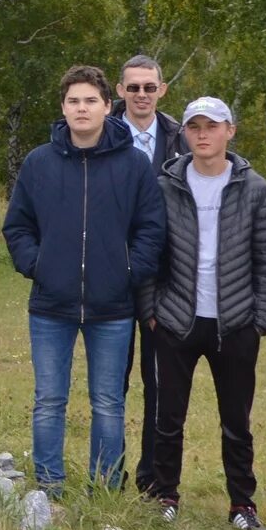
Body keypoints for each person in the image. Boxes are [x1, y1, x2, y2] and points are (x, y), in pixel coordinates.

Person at [2, 64, 167, 489]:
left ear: (107, 107)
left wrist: (129, 271)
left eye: (90, 101)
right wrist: (38, 266)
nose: (82, 108)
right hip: (50, 306)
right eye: (74, 100)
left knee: (109, 403)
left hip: (111, 306)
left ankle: (105, 487)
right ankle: (49, 485)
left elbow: (152, 227)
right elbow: (17, 225)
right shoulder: (40, 162)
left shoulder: (133, 165)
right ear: (63, 107)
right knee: (49, 401)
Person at [136, 97, 266, 530]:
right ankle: (166, 495)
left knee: (236, 419)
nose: (203, 134)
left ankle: (242, 504)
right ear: (185, 133)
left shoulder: (254, 189)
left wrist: (260, 318)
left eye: (212, 126)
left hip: (235, 320)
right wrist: (151, 310)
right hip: (177, 316)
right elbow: (149, 250)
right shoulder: (166, 185)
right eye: (194, 126)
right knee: (168, 416)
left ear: (229, 131)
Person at [111, 54, 187, 472]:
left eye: (149, 87)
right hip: (116, 275)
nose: (142, 95)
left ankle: (154, 477)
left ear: (162, 90)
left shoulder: (182, 138)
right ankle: (110, 471)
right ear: (120, 92)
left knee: (160, 382)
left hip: (167, 277)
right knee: (113, 383)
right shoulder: (103, 136)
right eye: (133, 87)